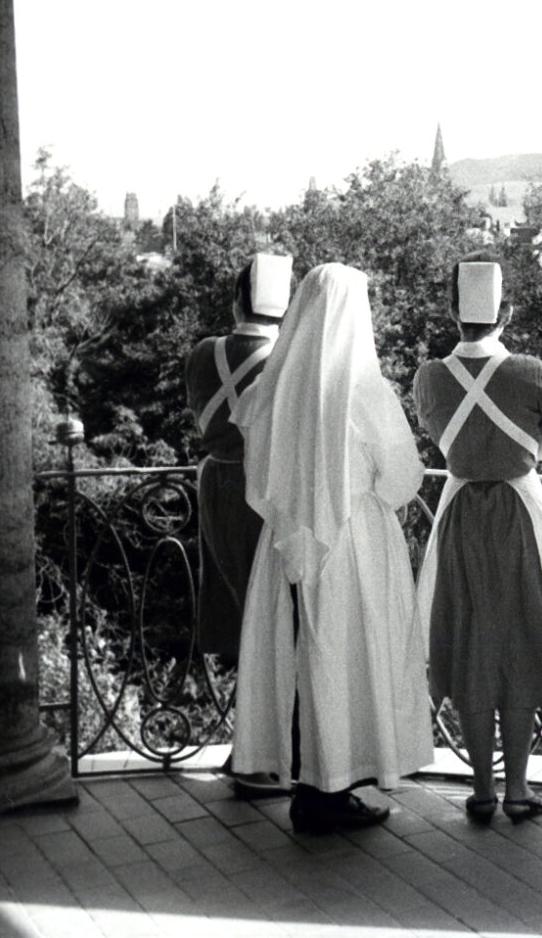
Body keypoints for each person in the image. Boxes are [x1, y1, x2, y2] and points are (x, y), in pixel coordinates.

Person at [230, 263, 433, 834]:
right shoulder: (365, 390)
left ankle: (310, 785)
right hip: (351, 543)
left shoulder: (271, 388)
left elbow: (257, 472)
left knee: (299, 654)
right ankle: (331, 787)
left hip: (285, 542)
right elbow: (402, 478)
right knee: (342, 660)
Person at [413, 252, 542, 824]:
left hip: (459, 515)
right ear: (509, 312)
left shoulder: (430, 377)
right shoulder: (532, 373)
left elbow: (434, 433)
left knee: (471, 645)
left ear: (452, 311)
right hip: (519, 513)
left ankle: (481, 789)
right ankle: (518, 789)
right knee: (522, 641)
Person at [184, 254, 291, 799]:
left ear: (235, 301)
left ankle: (249, 745)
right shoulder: (287, 361)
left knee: (242, 613)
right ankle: (260, 755)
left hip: (215, 486)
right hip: (263, 493)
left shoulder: (204, 354)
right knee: (272, 621)